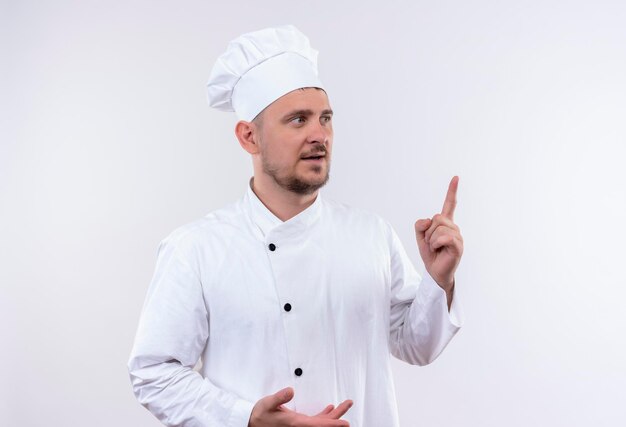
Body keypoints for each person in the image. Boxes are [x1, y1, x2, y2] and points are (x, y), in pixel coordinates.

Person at [128, 25, 464, 427]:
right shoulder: (196, 249)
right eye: (298, 120)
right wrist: (246, 418)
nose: (319, 135)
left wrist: (437, 281)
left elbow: (416, 346)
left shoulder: (371, 234)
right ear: (249, 137)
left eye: (325, 119)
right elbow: (154, 373)